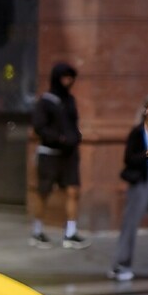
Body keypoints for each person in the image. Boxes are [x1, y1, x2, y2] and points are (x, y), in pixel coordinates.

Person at [28, 62, 89, 249]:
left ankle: (70, 233)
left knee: (73, 191)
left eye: (71, 78)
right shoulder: (46, 101)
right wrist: (59, 138)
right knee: (44, 192)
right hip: (49, 153)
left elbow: (73, 122)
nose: (68, 81)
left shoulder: (70, 100)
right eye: (65, 77)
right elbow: (39, 127)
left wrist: (75, 137)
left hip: (69, 154)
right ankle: (37, 232)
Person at [108, 94, 148, 281]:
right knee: (130, 225)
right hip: (141, 182)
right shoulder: (137, 133)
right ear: (146, 111)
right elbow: (129, 159)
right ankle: (121, 265)